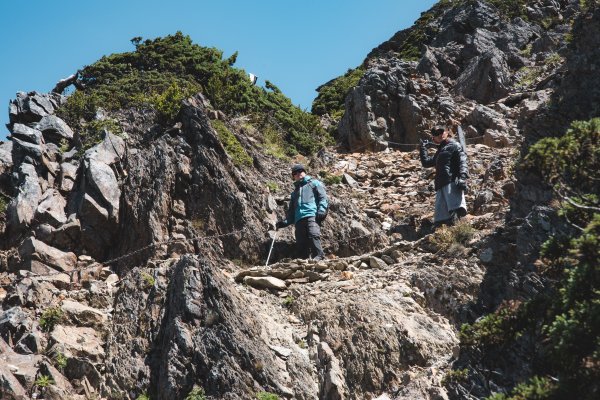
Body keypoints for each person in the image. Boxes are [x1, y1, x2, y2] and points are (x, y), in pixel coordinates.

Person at [276, 164, 328, 260]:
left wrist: (321, 209)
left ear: (304, 172)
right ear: (293, 176)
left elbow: (323, 197)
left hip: (311, 214)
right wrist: (284, 223)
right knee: (300, 241)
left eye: (300, 171)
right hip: (298, 219)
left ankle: (319, 255)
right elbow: (291, 212)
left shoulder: (314, 183)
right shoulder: (294, 193)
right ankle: (303, 261)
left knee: (313, 234)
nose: (298, 174)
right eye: (295, 173)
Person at [419, 126, 469, 227]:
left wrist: (463, 177)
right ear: (433, 138)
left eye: (441, 131)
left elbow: (463, 161)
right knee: (442, 220)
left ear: (446, 132)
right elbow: (426, 163)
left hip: (451, 182)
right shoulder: (440, 151)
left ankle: (460, 234)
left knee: (456, 212)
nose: (440, 135)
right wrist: (423, 148)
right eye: (436, 134)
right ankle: (448, 237)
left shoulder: (454, 145)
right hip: (440, 185)